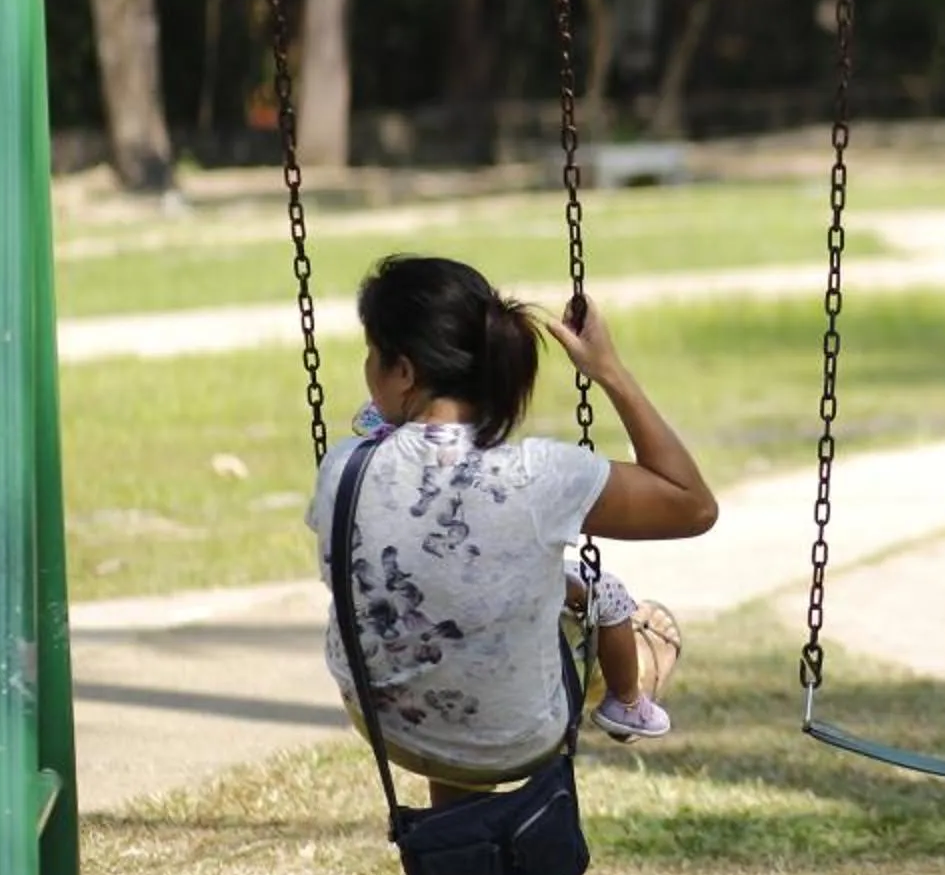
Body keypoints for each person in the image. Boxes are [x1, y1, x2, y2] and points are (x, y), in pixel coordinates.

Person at [308, 255, 719, 801]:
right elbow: (692, 506)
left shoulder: (345, 466)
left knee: (449, 635)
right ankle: (637, 684)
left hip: (383, 724)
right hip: (515, 738)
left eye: (371, 354)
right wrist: (609, 371)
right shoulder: (538, 476)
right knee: (636, 624)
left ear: (404, 372)